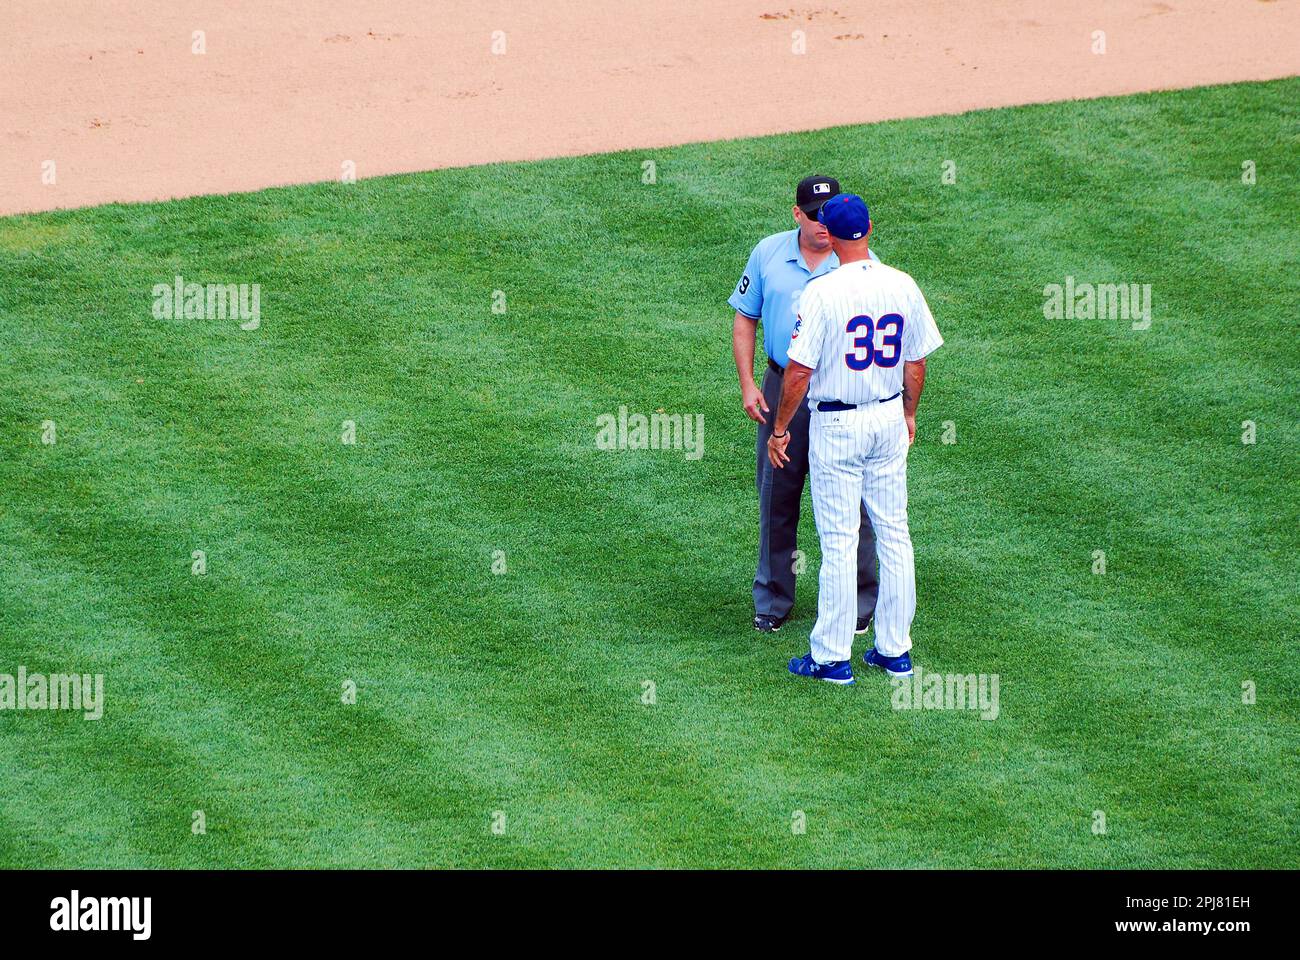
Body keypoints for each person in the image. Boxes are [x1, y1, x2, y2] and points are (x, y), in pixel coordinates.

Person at [766, 193, 943, 684]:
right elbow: (917, 360)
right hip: (888, 417)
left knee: (840, 541)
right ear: (869, 230)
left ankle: (831, 657)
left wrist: (779, 429)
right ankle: (894, 651)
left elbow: (798, 371)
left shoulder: (822, 292)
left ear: (833, 234)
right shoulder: (902, 283)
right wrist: (909, 413)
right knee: (895, 533)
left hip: (838, 425)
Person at [729, 175, 880, 635]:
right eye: (814, 215)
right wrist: (748, 384)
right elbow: (744, 319)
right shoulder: (768, 253)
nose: (822, 224)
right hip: (781, 387)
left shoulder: (859, 262)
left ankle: (860, 601)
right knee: (777, 495)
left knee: (853, 501)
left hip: (840, 393)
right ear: (797, 213)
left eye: (829, 215)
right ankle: (773, 600)